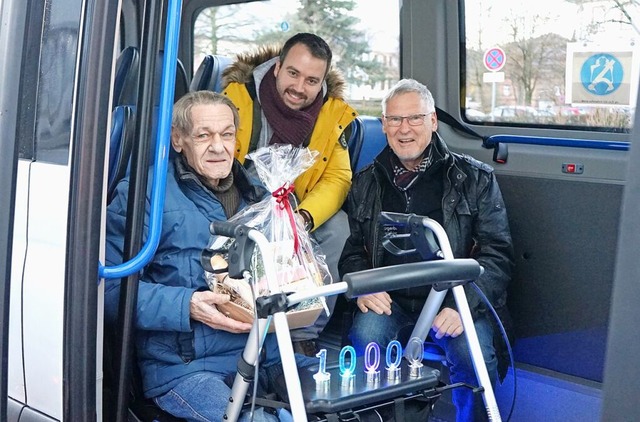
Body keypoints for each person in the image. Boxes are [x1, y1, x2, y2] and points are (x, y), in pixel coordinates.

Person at [104, 91, 313, 422]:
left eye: (227, 134)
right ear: (178, 140)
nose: (218, 146)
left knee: (342, 400)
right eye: (204, 135)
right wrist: (187, 305)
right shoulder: (143, 197)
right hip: (187, 368)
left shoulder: (265, 194)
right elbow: (108, 291)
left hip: (266, 352)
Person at [339, 79, 514, 422]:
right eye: (394, 120)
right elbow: (353, 251)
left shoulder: (474, 178)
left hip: (456, 299)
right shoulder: (365, 182)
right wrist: (364, 286)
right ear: (384, 125)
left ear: (433, 122)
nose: (405, 129)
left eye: (415, 119)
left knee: (471, 354)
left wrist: (462, 305)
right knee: (365, 339)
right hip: (392, 301)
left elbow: (497, 255)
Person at [222, 32, 358, 355]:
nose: (299, 87)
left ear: (323, 82)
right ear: (277, 67)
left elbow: (338, 177)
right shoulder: (239, 97)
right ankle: (238, 317)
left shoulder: (331, 113)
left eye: (312, 80)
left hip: (299, 204)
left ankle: (304, 333)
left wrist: (304, 217)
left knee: (339, 228)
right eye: (293, 74)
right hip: (239, 197)